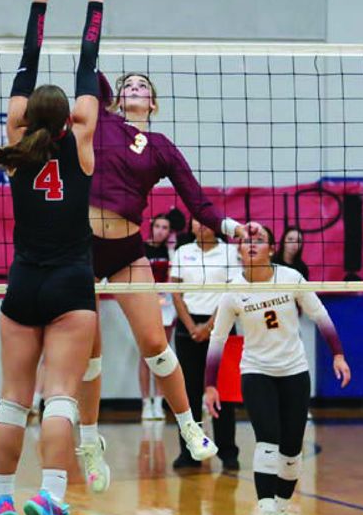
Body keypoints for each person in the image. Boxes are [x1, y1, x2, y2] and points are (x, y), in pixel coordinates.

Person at [0, 0, 113, 515]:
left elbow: (24, 65)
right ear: (73, 121)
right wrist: (96, 3)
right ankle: (52, 501)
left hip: (21, 285)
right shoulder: (84, 140)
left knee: (14, 397)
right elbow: (88, 70)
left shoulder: (15, 137)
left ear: (27, 117)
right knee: (61, 395)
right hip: (70, 285)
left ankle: (0, 501)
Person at [77, 66, 249, 491]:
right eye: (127, 85)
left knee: (155, 343)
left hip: (126, 249)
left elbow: (198, 201)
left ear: (152, 103)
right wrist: (93, 8)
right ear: (118, 99)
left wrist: (230, 228)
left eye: (143, 87)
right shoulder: (102, 120)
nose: (135, 88)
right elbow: (88, 73)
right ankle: (89, 444)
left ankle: (190, 427)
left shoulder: (160, 147)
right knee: (89, 354)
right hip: (80, 247)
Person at [204, 224, 351, 515]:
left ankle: (282, 509)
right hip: (257, 371)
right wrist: (210, 384)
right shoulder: (233, 291)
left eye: (259, 240)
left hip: (294, 370)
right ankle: (267, 511)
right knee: (267, 439)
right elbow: (217, 340)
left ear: (271, 248)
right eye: (245, 241)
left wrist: (338, 355)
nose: (251, 244)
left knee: (292, 449)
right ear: (239, 251)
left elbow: (320, 315)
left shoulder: (291, 278)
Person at [170, 218, 240, 470]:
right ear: (190, 226)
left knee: (223, 391)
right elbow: (175, 292)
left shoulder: (230, 252)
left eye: (206, 221)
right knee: (188, 391)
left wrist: (210, 326)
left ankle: (228, 453)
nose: (202, 226)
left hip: (222, 323)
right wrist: (191, 327)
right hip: (187, 327)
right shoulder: (182, 252)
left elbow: (231, 291)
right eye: (197, 222)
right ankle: (189, 452)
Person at [140, 214, 175, 421]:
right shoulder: (141, 249)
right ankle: (146, 403)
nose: (161, 230)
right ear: (152, 227)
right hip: (145, 304)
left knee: (163, 354)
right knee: (145, 356)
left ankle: (159, 403)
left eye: (165, 227)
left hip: (166, 305)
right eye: (158, 226)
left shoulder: (170, 251)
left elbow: (173, 277)